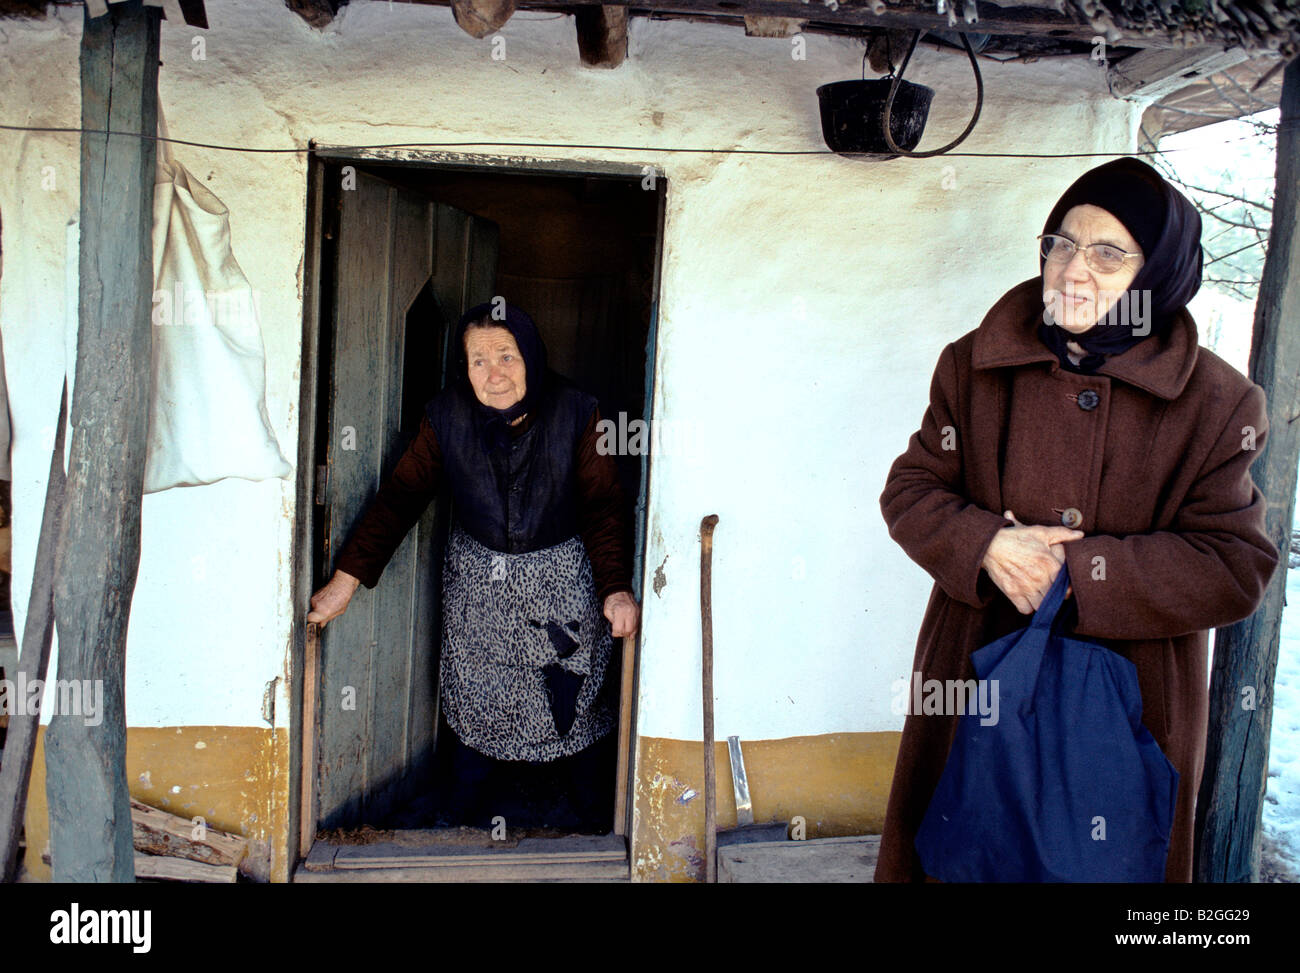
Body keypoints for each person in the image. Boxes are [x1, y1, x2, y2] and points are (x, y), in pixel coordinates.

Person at [877, 157, 1279, 882]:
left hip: (1128, 699)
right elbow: (911, 489)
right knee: (962, 851)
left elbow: (1234, 565)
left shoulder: (1219, 404)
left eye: (1107, 253)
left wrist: (1078, 573)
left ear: (1157, 275)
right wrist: (987, 543)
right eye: (1062, 242)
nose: (1073, 269)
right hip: (977, 667)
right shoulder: (973, 365)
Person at [307, 301, 640, 830]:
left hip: (561, 584)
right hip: (479, 586)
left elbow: (603, 504)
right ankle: (463, 813)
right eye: (478, 360)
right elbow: (401, 496)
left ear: (530, 356)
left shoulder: (578, 410)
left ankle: (591, 818)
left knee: (569, 694)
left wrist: (616, 588)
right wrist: (345, 582)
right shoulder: (446, 415)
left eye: (506, 356)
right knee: (477, 688)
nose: (494, 374)